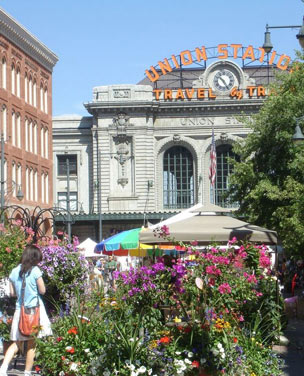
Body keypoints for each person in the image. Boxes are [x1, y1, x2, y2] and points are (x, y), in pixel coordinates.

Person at [0, 245, 52, 376]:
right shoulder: (35, 271)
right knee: (32, 343)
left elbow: (12, 293)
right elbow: (42, 290)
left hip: (20, 310)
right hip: (34, 311)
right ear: (34, 258)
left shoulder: (14, 271)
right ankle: (27, 373)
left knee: (17, 342)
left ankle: (3, 368)